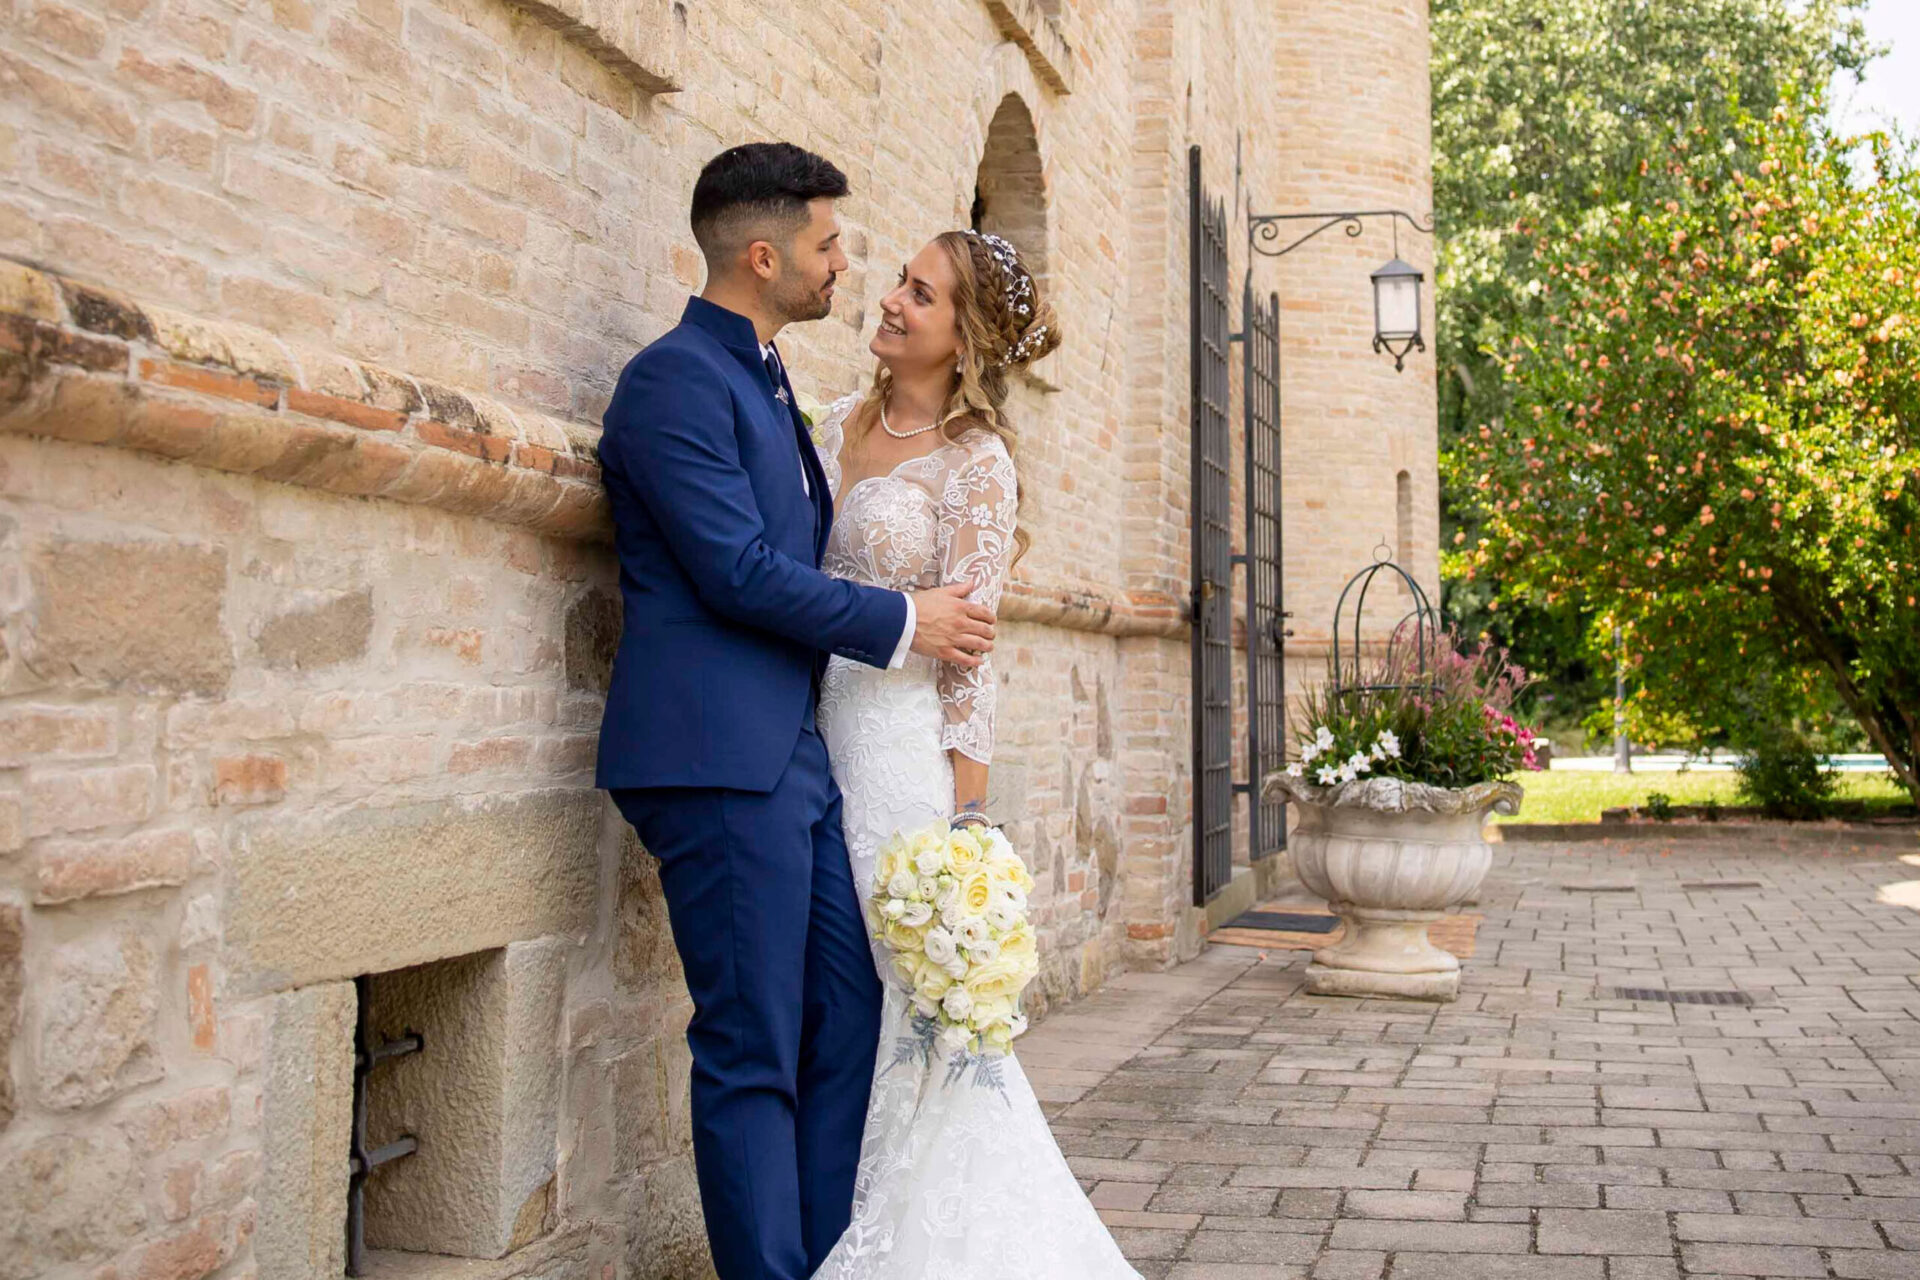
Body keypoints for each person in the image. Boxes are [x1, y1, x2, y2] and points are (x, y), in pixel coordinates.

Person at [594, 143, 999, 1280]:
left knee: (847, 1014)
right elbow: (734, 570)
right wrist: (905, 619)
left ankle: (826, 1258)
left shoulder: (772, 380)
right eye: (829, 244)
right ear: (765, 256)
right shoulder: (676, 381)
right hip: (718, 758)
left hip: (796, 756)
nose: (845, 267)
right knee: (751, 1044)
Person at [809, 230, 1140, 1276]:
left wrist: (965, 829)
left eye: (922, 293)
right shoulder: (828, 423)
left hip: (899, 756)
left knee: (915, 1000)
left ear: (964, 339)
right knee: (836, 1002)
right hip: (805, 737)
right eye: (900, 282)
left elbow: (969, 662)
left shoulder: (976, 464)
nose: (892, 301)